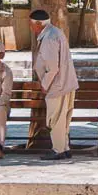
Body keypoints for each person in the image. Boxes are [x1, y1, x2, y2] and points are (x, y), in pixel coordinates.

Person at [30, 9, 79, 161]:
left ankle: (58, 149)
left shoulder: (49, 38)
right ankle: (64, 148)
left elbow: (52, 68)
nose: (31, 28)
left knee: (55, 118)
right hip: (66, 83)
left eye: (32, 24)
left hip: (57, 85)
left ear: (38, 24)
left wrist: (44, 85)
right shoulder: (56, 33)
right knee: (63, 118)